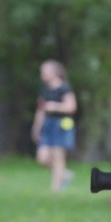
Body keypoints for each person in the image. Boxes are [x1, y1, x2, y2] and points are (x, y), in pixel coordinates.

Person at [31, 59, 78, 192]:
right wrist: (36, 128)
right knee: (42, 158)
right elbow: (40, 110)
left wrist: (55, 106)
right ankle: (65, 174)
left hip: (61, 125)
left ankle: (55, 189)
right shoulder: (44, 90)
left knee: (58, 157)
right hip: (47, 125)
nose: (42, 73)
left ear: (55, 72)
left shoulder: (64, 88)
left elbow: (71, 106)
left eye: (45, 70)